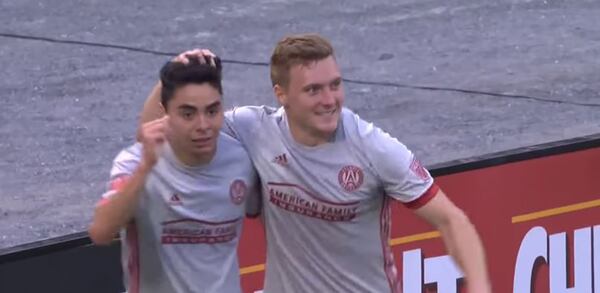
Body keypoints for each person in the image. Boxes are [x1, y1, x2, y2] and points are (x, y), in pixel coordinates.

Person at [140, 34, 491, 292]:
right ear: (281, 94)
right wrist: (174, 76)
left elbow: (452, 219)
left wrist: (478, 286)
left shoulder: (373, 148)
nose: (329, 100)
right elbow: (154, 132)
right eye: (313, 90)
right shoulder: (253, 129)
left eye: (335, 85)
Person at [89, 56, 259, 293]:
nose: (203, 125)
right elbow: (101, 231)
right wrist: (146, 168)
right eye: (188, 114)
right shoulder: (136, 161)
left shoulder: (242, 159)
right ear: (164, 112)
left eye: (212, 111)